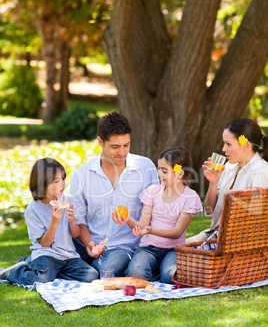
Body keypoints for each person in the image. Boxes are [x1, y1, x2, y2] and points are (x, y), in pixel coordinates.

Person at [161, 117, 268, 283]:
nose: (223, 149)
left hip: (235, 244)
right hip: (214, 235)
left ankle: (178, 275)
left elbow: (256, 221)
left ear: (245, 145)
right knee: (170, 249)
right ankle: (174, 273)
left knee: (175, 255)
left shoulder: (260, 171)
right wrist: (213, 182)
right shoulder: (230, 167)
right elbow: (210, 210)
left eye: (228, 144)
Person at [70, 111, 159, 277]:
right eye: (115, 147)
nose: (122, 153)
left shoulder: (145, 167)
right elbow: (79, 220)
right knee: (55, 255)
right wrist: (89, 243)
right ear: (100, 142)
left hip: (123, 247)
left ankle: (86, 269)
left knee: (105, 271)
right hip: (89, 242)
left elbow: (157, 210)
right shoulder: (82, 174)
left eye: (126, 145)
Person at [112, 147, 203, 283]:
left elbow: (177, 232)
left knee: (170, 276)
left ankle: (160, 271)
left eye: (164, 171)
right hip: (149, 249)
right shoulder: (152, 191)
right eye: (158, 168)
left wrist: (152, 231)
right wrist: (128, 219)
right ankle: (155, 270)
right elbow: (143, 225)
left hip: (173, 250)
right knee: (136, 272)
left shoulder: (190, 197)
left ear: (179, 174)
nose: (159, 173)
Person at [2, 158, 99, 285]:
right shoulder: (33, 209)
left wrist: (72, 221)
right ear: (42, 185)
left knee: (91, 275)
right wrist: (54, 222)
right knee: (40, 279)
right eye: (57, 181)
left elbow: (75, 234)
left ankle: (47, 272)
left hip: (68, 256)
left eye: (63, 179)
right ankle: (13, 272)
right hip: (47, 255)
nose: (63, 184)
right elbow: (46, 244)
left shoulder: (69, 200)